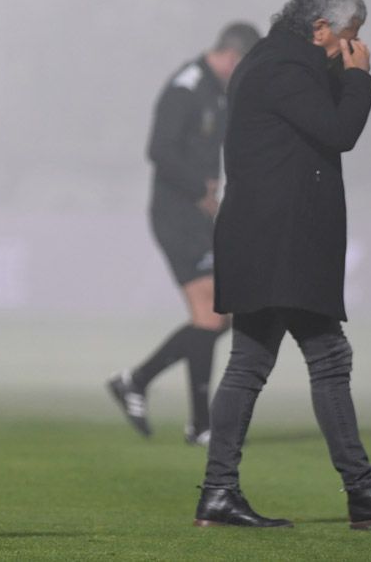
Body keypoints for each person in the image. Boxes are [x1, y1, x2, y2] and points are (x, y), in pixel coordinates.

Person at [193, 0, 371, 529]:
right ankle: (362, 493)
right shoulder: (285, 66)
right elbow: (338, 130)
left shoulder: (275, 58)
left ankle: (220, 494)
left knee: (253, 363)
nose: (353, 47)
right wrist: (359, 77)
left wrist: (339, 70)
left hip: (266, 237)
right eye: (349, 36)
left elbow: (313, 119)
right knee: (323, 360)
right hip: (280, 241)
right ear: (322, 27)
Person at [107, 22, 260, 447]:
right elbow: (158, 149)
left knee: (217, 316)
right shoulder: (186, 86)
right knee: (213, 313)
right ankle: (198, 423)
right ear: (232, 57)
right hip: (176, 215)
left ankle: (139, 383)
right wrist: (199, 189)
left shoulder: (217, 90)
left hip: (198, 217)